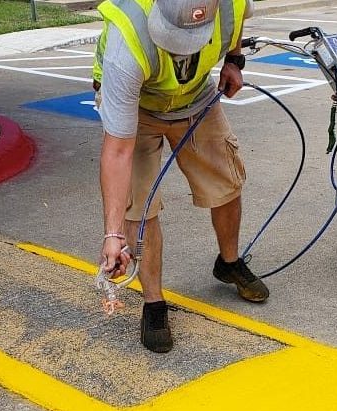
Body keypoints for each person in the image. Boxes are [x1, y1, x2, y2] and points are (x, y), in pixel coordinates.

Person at [93, 0, 268, 353]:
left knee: (227, 181)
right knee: (138, 208)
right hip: (138, 105)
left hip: (195, 98)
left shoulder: (230, 5)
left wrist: (234, 61)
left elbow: (234, 26)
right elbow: (117, 151)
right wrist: (112, 235)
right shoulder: (127, 40)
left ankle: (229, 263)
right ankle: (154, 304)